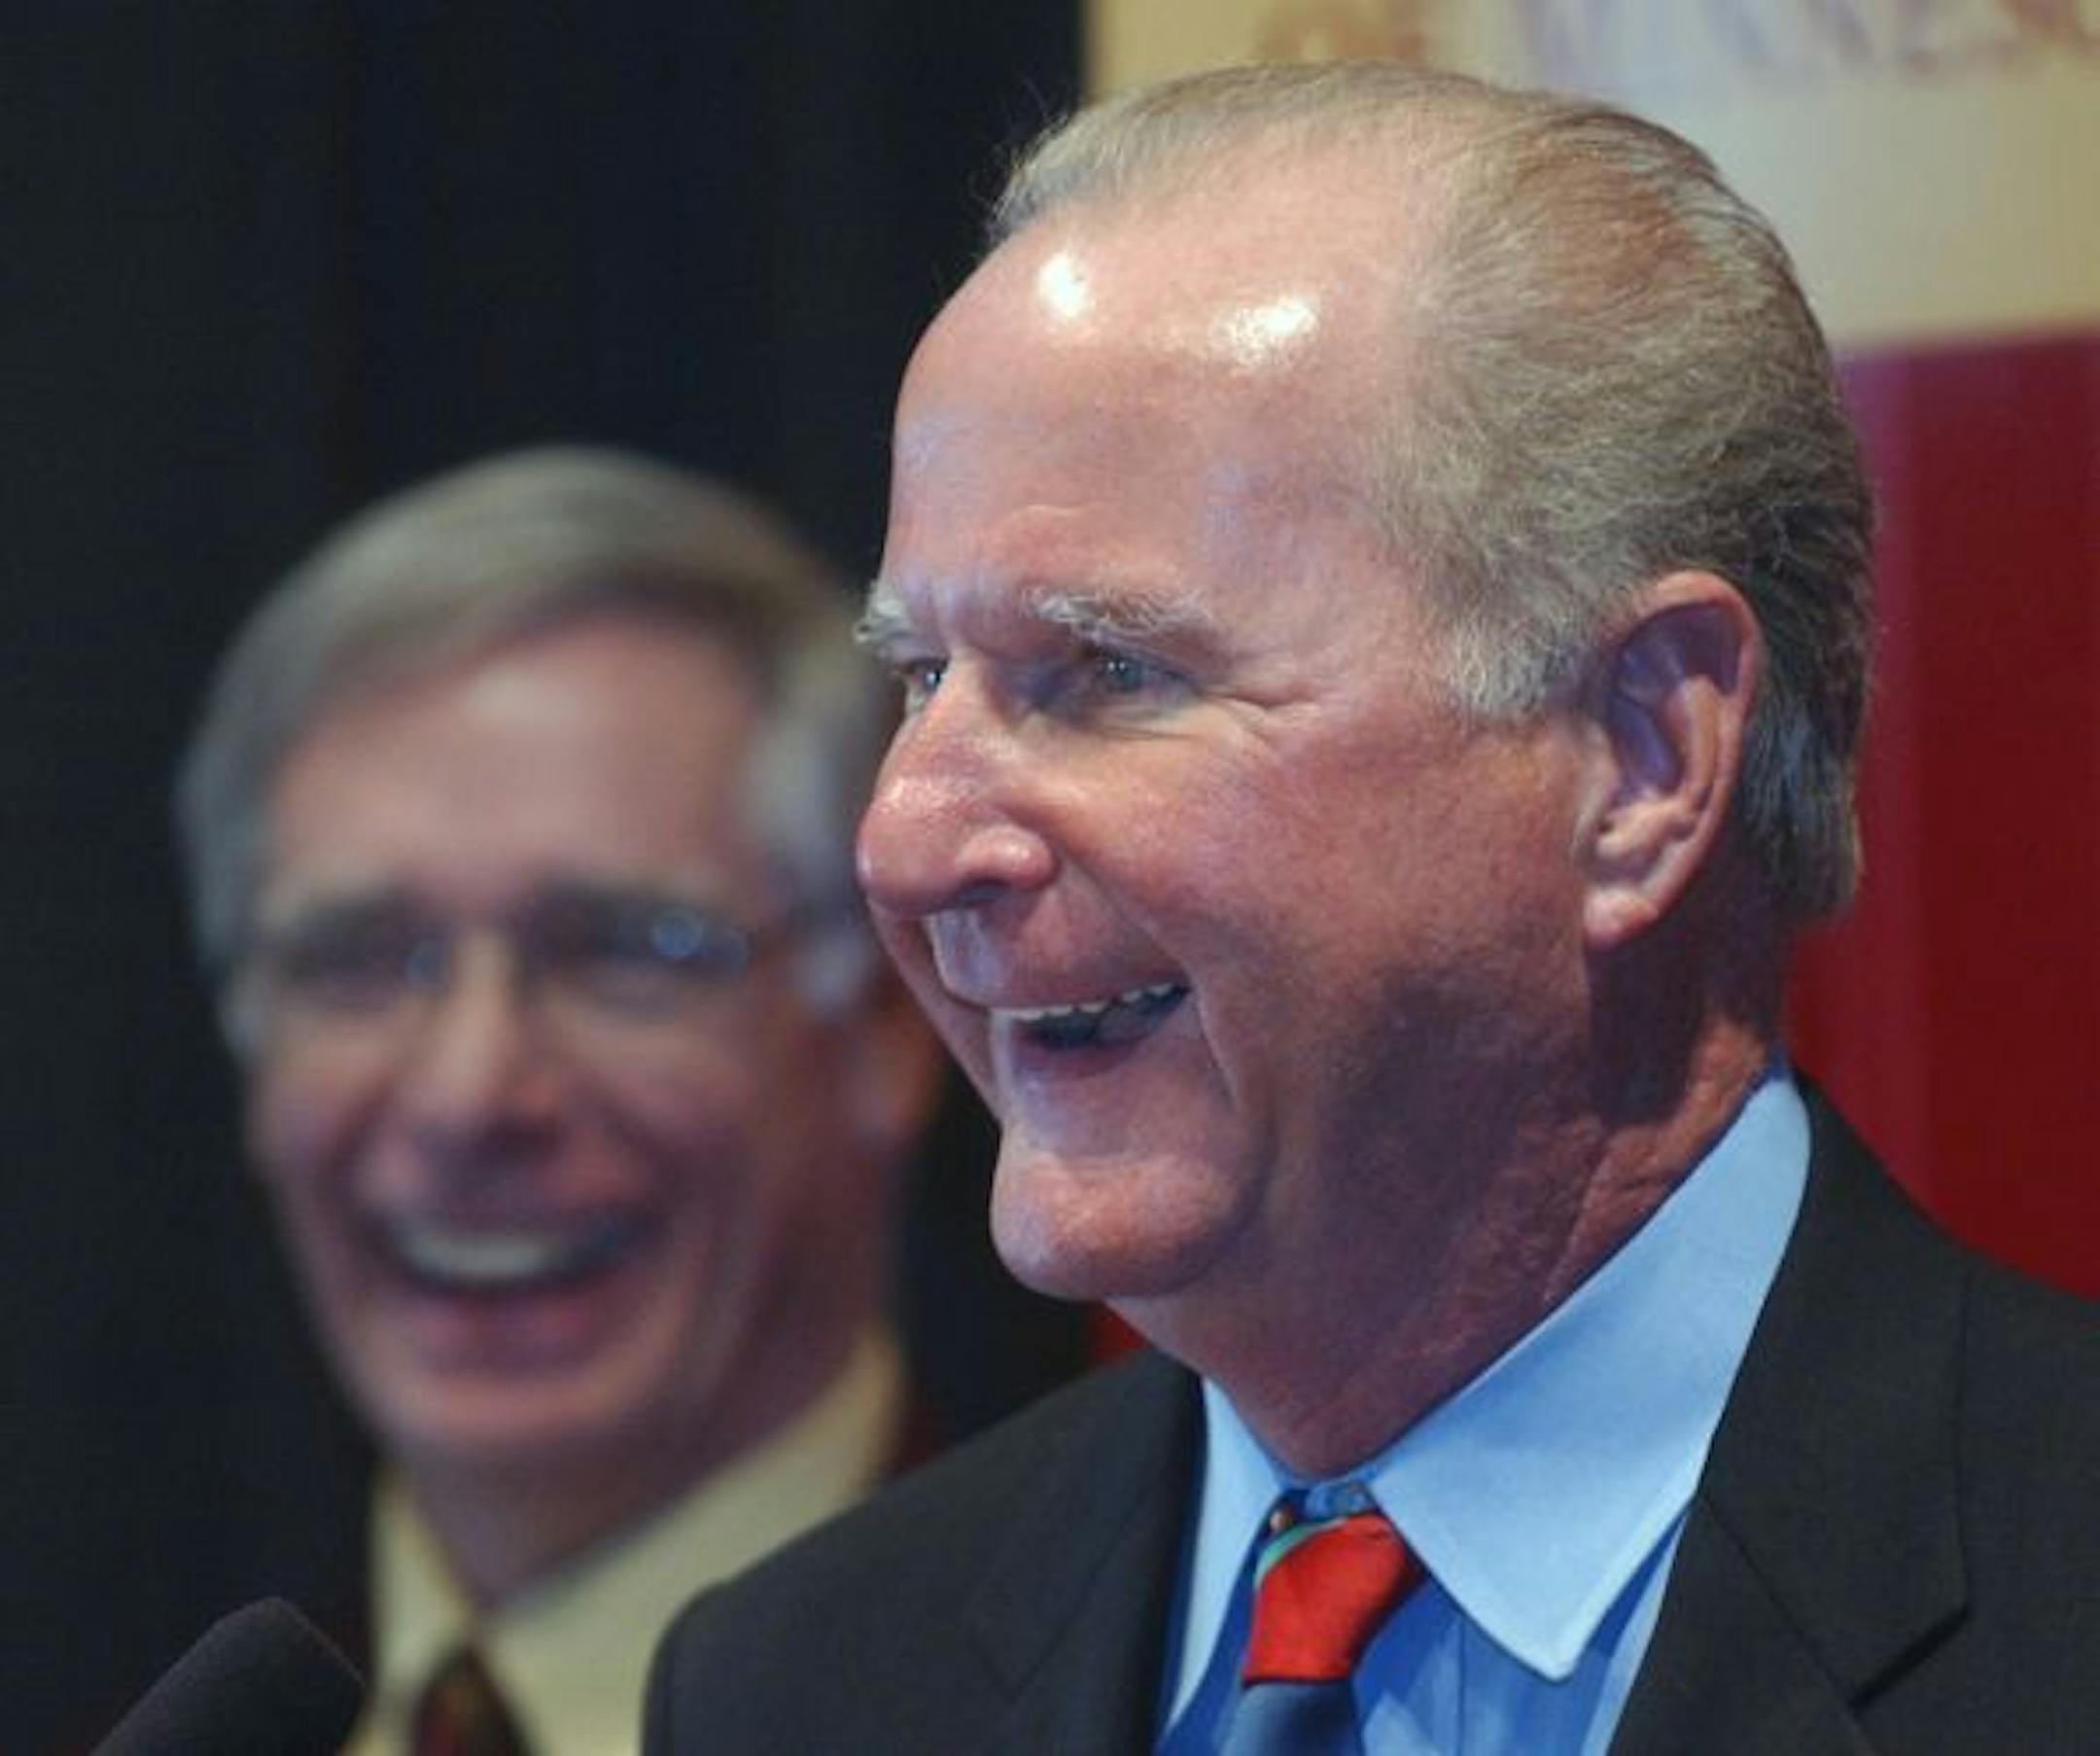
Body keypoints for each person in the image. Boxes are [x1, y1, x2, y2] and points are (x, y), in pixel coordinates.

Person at [644, 62, 2100, 1753]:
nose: (904, 844)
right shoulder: (802, 1681)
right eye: (920, 674)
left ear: (1639, 758)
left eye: (1109, 672)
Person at [175, 446, 944, 1752]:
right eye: (359, 961)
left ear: (887, 1022)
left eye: (622, 949)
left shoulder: (1144, 1698)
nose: (471, 1093)